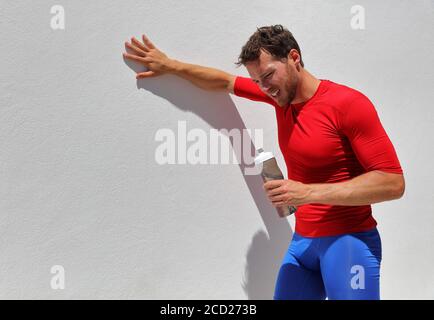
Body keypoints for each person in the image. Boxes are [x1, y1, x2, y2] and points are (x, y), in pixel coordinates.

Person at [122, 25, 405, 300]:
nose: (264, 88)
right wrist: (170, 66)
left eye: (268, 75)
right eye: (257, 81)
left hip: (348, 244)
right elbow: (223, 81)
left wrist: (308, 193)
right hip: (303, 245)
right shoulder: (281, 97)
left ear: (294, 58)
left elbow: (392, 182)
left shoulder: (348, 104)